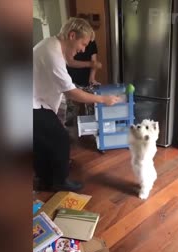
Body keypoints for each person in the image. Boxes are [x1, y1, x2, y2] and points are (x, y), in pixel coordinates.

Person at [33, 18, 120, 192]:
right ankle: (59, 181)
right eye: (83, 43)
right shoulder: (52, 53)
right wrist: (103, 99)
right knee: (61, 140)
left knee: (42, 142)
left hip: (32, 100)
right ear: (72, 36)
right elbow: (72, 92)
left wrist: (91, 66)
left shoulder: (52, 45)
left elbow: (71, 63)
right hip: (29, 103)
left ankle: (44, 181)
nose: (83, 49)